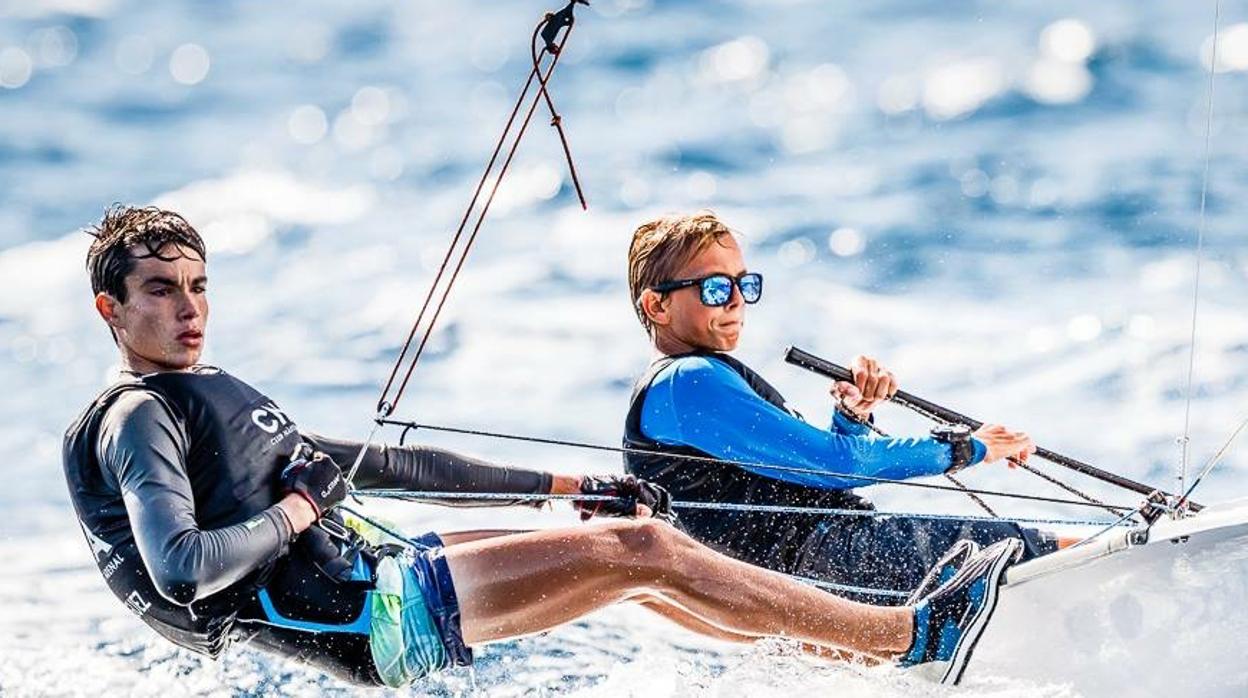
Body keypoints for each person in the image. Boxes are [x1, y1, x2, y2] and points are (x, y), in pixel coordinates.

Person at [62, 205, 1022, 689]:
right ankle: (907, 636)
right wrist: (301, 508)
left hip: (380, 577)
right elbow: (183, 569)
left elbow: (401, 465)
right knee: (648, 554)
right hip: (365, 620)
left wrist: (573, 484)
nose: (187, 308)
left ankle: (862, 659)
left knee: (646, 557)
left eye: (197, 284)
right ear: (112, 308)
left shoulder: (209, 396)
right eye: (159, 291)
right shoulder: (139, 416)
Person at [623, 211, 1057, 605]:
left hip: (812, 579)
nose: (736, 300)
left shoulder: (687, 384)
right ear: (657, 305)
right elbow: (835, 466)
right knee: (1034, 547)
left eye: (745, 283)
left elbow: (813, 473)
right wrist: (968, 449)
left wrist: (852, 416)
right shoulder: (687, 381)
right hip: (829, 562)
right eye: (715, 288)